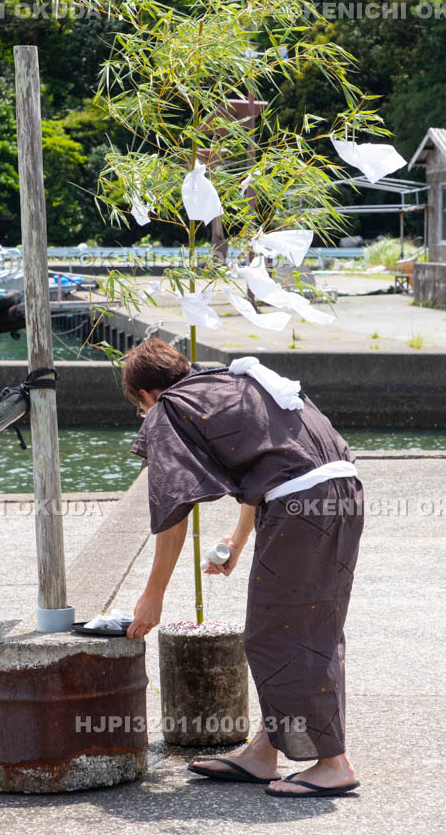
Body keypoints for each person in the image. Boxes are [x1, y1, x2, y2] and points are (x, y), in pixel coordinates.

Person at [122, 337, 364, 799]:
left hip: (302, 506)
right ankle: (262, 753)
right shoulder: (230, 381)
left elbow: (175, 507)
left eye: (141, 408)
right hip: (342, 492)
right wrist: (235, 541)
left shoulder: (170, 407)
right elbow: (274, 461)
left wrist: (152, 594)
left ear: (146, 396)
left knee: (279, 633)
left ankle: (333, 763)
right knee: (309, 626)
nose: (145, 416)